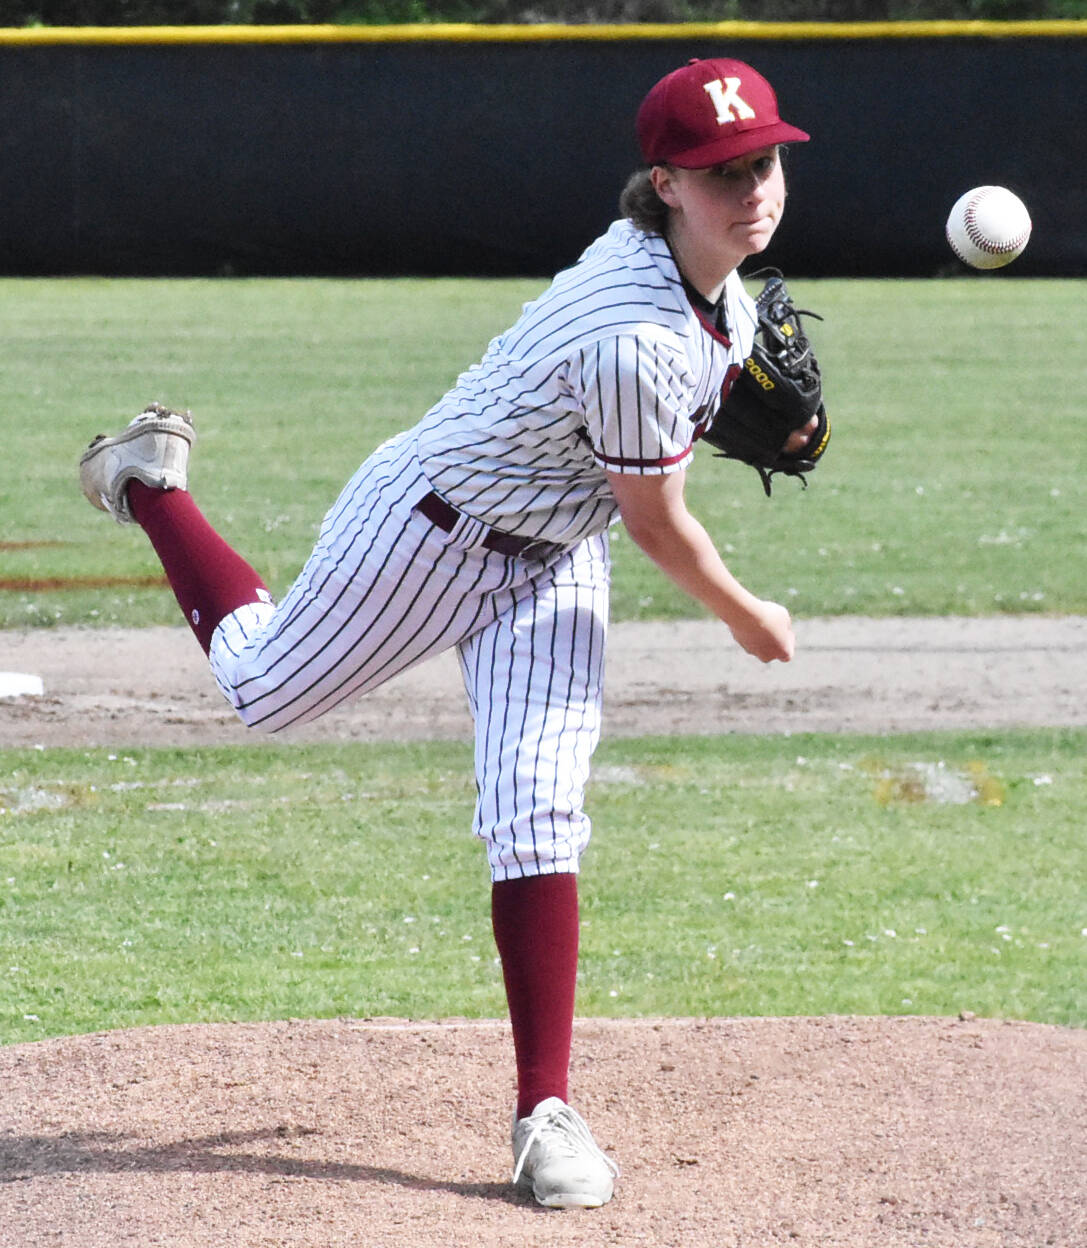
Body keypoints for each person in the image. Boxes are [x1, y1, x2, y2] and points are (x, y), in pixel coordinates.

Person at [79, 56, 816, 1209]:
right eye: (722, 171)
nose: (752, 187)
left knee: (537, 806)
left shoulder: (714, 284)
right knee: (261, 691)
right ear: (664, 182)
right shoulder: (634, 336)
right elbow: (662, 525)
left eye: (764, 161)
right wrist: (747, 614)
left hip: (554, 552)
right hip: (433, 530)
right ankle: (150, 484)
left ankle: (543, 1112)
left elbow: (671, 412)